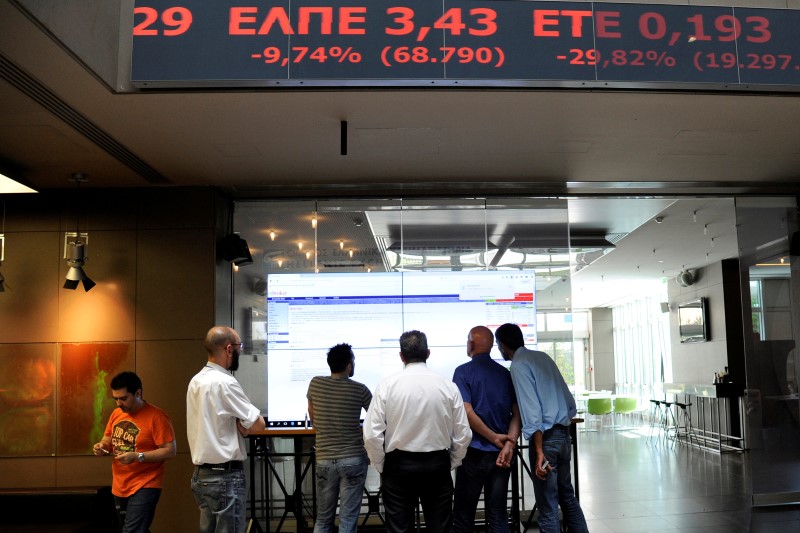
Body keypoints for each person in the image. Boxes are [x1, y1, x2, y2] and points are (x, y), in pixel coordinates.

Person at [363, 330, 472, 533]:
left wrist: (381, 465)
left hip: (398, 465)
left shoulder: (387, 385)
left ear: (401, 356)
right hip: (437, 464)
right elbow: (463, 433)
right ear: (428, 353)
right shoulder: (448, 385)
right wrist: (452, 461)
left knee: (399, 529)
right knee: (440, 529)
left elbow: (371, 434)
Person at [494, 323, 588, 533]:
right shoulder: (543, 358)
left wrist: (538, 452)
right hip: (564, 436)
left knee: (547, 507)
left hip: (545, 441)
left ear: (501, 345)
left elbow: (532, 412)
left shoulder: (518, 365)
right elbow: (570, 403)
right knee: (568, 498)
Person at [187, 325, 266, 533]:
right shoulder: (225, 382)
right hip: (225, 478)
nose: (241, 351)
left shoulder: (195, 381)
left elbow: (213, 422)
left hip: (201, 476)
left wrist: (237, 426)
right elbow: (258, 424)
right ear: (229, 349)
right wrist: (245, 427)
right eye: (240, 347)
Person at [451, 326, 521, 533]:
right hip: (502, 454)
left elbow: (467, 411)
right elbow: (517, 413)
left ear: (471, 344)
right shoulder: (505, 373)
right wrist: (509, 443)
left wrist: (493, 438)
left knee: (464, 516)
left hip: (473, 453)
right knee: (498, 514)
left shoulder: (462, 372)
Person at [92, 371, 176, 533]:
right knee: (132, 529)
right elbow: (107, 439)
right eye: (115, 399)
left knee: (132, 531)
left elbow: (170, 451)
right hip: (120, 483)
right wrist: (101, 446)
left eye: (123, 399)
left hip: (146, 484)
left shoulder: (157, 417)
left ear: (138, 393)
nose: (118, 404)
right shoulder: (117, 414)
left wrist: (138, 456)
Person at [306, 343, 373, 533]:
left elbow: (313, 416)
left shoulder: (315, 383)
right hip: (353, 459)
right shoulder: (360, 389)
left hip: (325, 459)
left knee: (323, 519)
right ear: (349, 365)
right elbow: (376, 418)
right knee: (348, 519)